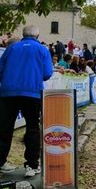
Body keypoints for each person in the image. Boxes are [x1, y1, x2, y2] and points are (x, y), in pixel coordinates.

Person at [0, 25, 53, 177]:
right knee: (32, 128)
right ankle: (31, 165)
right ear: (37, 35)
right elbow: (47, 73)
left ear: (23, 34)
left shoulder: (12, 48)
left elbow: (0, 69)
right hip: (32, 92)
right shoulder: (43, 49)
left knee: (4, 128)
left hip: (8, 92)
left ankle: (1, 162)